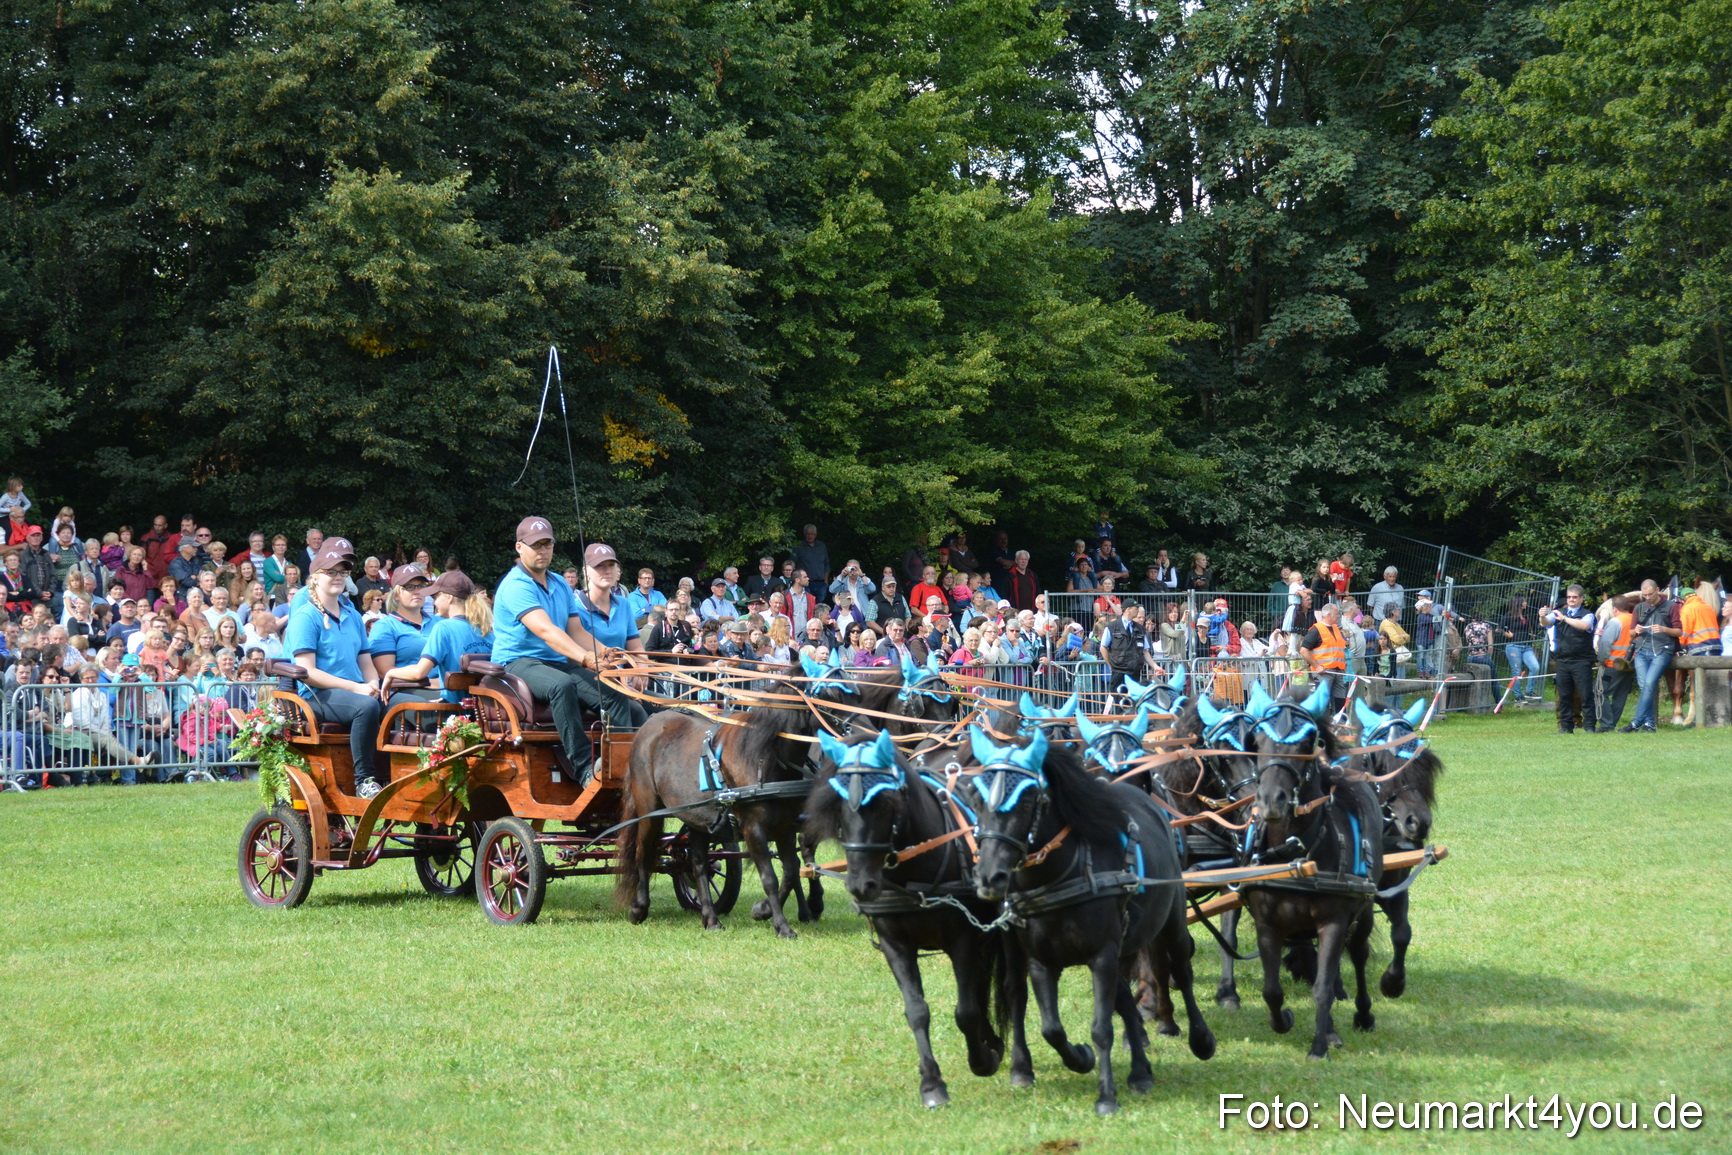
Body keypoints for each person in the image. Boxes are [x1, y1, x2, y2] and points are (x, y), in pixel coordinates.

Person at [493, 520, 640, 784]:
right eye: (535, 545)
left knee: (614, 689)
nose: (543, 550)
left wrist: (608, 654)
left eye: (547, 544)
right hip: (518, 662)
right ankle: (584, 769)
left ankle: (621, 768)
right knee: (561, 685)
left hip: (555, 662)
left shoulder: (560, 583)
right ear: (519, 547)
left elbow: (576, 630)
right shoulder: (516, 585)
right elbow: (547, 631)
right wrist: (585, 658)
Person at [284, 538, 387, 797]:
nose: (338, 577)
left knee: (396, 704)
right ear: (315, 578)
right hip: (317, 695)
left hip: (356, 690)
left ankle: (391, 776)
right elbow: (308, 671)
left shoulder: (352, 614)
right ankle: (364, 781)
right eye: (331, 572)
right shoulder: (305, 616)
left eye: (343, 572)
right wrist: (358, 688)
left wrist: (374, 684)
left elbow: (365, 660)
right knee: (366, 706)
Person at [382, 570, 494, 705]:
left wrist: (390, 674)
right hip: (484, 711)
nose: (433, 603)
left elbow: (419, 672)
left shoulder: (444, 627)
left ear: (449, 598)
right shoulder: (487, 629)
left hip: (452, 712)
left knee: (402, 710)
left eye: (435, 597)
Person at [1621, 580, 1680, 733]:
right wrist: (1637, 630)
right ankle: (1649, 725)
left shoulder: (1671, 606)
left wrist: (1664, 629)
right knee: (1644, 687)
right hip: (1641, 651)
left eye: (1650, 594)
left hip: (1662, 651)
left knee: (1648, 684)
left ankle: (1635, 722)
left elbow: (1679, 631)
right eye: (1645, 595)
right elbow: (1631, 633)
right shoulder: (1639, 608)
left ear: (1658, 590)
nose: (1647, 597)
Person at [1542, 584, 1597, 734]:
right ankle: (1566, 727)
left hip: (1581, 661)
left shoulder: (1588, 614)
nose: (1571, 600)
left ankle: (1590, 725)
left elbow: (1584, 626)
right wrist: (1542, 616)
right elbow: (1546, 622)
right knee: (1564, 695)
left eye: (1574, 597)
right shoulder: (1558, 613)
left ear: (1581, 599)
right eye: (1569, 597)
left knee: (1585, 694)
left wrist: (1565, 618)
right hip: (1562, 660)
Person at [1301, 602, 1350, 707]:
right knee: (1323, 702)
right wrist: (1317, 666)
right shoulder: (1315, 630)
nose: (1338, 616)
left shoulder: (1336, 628)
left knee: (1341, 700)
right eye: (1337, 614)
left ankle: (1340, 721)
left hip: (1339, 671)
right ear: (1329, 615)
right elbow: (1304, 650)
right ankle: (1323, 722)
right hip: (1323, 672)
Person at [1498, 595, 1541, 702]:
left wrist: (1544, 618)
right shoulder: (1508, 615)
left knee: (1535, 667)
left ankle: (1529, 691)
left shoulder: (1527, 615)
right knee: (1516, 671)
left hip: (1527, 646)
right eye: (1524, 601)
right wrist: (1506, 634)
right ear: (1518, 603)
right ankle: (1518, 696)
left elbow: (1537, 626)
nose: (1526, 603)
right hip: (1513, 646)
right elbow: (1498, 629)